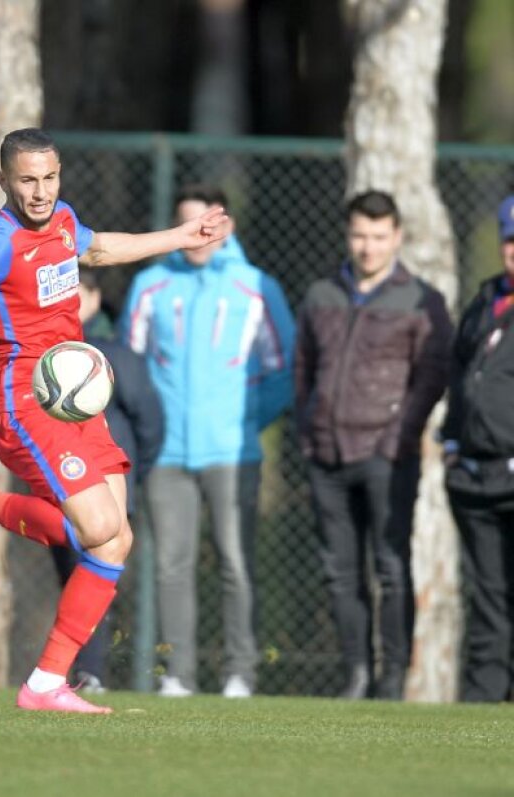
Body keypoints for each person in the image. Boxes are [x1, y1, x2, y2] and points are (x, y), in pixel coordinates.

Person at [0, 127, 231, 713]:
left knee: (115, 540)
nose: (40, 191)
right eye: (27, 179)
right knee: (95, 528)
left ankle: (47, 682)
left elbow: (100, 249)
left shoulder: (62, 220)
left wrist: (182, 236)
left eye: (49, 178)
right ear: (2, 180)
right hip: (24, 403)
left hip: (76, 400)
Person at [121, 184, 295, 699]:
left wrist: (242, 424)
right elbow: (129, 369)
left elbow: (281, 370)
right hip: (166, 454)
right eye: (186, 225)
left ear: (226, 227)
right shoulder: (149, 285)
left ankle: (241, 674)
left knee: (235, 563)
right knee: (171, 566)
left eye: (205, 224)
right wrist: (147, 435)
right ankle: (177, 676)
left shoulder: (256, 286)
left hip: (231, 452)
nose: (195, 236)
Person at [294, 190, 451, 700]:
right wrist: (307, 432)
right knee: (339, 574)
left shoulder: (421, 299)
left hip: (387, 456)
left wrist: (397, 441)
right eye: (360, 235)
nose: (368, 247)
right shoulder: (321, 293)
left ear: (397, 238)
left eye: (379, 237)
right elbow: (303, 369)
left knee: (391, 568)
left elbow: (431, 378)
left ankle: (391, 681)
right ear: (348, 235)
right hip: (326, 455)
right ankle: (356, 675)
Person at [49, 269, 163, 692]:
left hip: (108, 490)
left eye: (77, 294)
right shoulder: (47, 355)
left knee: (96, 575)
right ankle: (63, 671)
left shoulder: (116, 355)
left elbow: (149, 421)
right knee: (71, 580)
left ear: (95, 298)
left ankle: (89, 673)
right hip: (58, 488)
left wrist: (129, 474)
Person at [442, 194, 514, 703]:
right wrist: (450, 441)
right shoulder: (486, 299)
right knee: (488, 596)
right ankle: (486, 702)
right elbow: (460, 373)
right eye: (510, 239)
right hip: (476, 474)